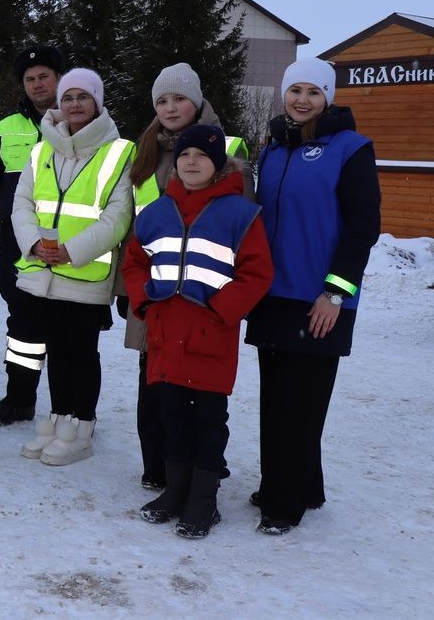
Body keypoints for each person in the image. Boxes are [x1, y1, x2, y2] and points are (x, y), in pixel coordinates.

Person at [245, 59, 380, 535]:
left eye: (313, 92)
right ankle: (298, 484)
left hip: (320, 300)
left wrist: (335, 294)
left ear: (328, 97)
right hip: (273, 295)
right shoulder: (274, 149)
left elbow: (364, 228)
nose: (302, 100)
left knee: (301, 403)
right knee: (275, 398)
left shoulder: (351, 149)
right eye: (294, 90)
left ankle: (284, 505)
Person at [122, 125, 273, 538]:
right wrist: (145, 300)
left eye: (202, 157)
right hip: (166, 338)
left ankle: (204, 501)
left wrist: (221, 309)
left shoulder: (241, 214)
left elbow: (257, 274)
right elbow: (133, 263)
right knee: (170, 417)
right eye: (185, 155)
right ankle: (175, 492)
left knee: (208, 422)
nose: (191, 162)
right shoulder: (154, 213)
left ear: (218, 166)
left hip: (210, 338)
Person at [116, 62, 252, 491]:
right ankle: (158, 467)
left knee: (199, 390)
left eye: (179, 98)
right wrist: (130, 291)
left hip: (202, 297)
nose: (170, 107)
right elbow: (132, 225)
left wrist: (225, 303)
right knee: (152, 379)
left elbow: (243, 230)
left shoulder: (228, 149)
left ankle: (199, 471)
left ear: (196, 100)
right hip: (152, 292)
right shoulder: (144, 149)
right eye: (162, 100)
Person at [11, 68, 134, 465]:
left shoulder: (119, 152)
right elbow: (22, 203)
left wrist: (71, 250)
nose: (74, 105)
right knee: (55, 350)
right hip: (42, 272)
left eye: (83, 97)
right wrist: (33, 243)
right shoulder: (41, 148)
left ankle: (82, 426)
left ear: (97, 102)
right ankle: (58, 420)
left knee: (81, 353)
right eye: (67, 98)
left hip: (84, 273)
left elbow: (117, 217)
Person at [0, 46, 65, 427]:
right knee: (23, 325)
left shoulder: (78, 117)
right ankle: (19, 400)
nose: (37, 84)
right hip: (16, 243)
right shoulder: (7, 127)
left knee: (66, 327)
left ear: (59, 77)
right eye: (30, 79)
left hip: (67, 244)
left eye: (44, 76)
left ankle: (70, 410)